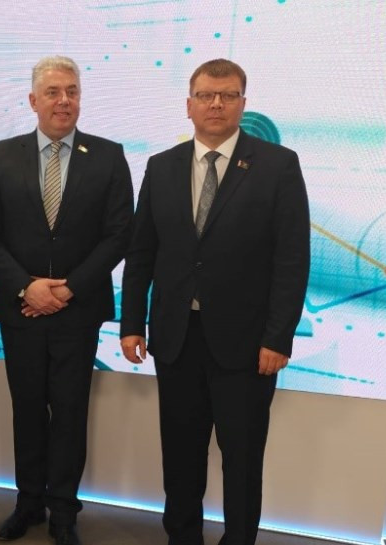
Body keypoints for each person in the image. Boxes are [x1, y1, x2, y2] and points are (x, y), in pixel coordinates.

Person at [120, 58, 310, 545]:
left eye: (228, 95)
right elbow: (142, 253)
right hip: (176, 340)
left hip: (247, 347)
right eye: (206, 95)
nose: (216, 104)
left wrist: (278, 338)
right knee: (180, 456)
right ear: (189, 105)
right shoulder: (161, 166)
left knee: (242, 459)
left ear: (244, 104)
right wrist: (131, 323)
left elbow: (292, 260)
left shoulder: (278, 166)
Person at [0, 56, 134, 545]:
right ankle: (28, 503)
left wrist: (68, 288)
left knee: (69, 412)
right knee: (26, 410)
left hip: (77, 311)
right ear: (33, 100)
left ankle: (63, 510)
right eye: (53, 92)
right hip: (19, 310)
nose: (64, 101)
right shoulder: (2, 155)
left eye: (72, 91)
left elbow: (119, 234)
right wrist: (28, 287)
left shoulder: (108, 156)